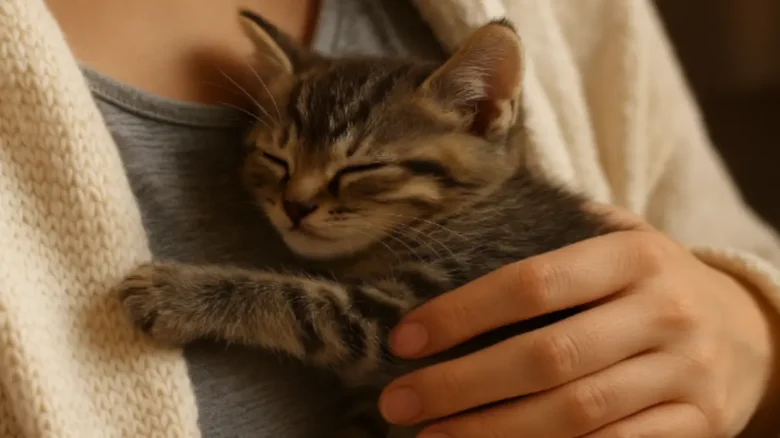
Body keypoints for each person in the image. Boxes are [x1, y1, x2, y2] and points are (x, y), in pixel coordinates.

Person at [0, 0, 778, 437]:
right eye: (275, 166)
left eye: (360, 176)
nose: (300, 203)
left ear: (481, 116)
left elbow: (392, 333)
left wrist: (752, 327)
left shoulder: (483, 219)